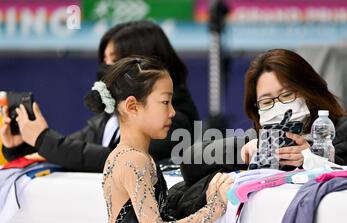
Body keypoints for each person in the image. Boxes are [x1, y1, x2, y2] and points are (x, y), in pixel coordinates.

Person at [86, 56, 233, 223]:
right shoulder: (134, 161)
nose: (173, 112)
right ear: (133, 106)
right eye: (165, 102)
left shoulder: (121, 156)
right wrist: (215, 209)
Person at [0, 20, 199, 172]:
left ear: (144, 64)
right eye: (105, 61)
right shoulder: (110, 119)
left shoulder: (172, 121)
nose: (106, 70)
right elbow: (72, 153)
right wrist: (22, 147)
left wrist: (44, 140)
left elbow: (117, 161)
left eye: (115, 61)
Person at [240, 49, 347, 186]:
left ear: (308, 90)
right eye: (266, 102)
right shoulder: (258, 143)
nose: (278, 106)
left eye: (287, 95)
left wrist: (315, 162)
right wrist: (248, 153)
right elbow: (216, 157)